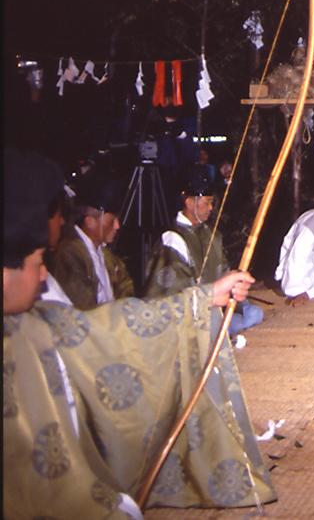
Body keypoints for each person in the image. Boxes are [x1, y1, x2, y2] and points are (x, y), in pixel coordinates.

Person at [3, 149, 276, 518]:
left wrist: (207, 297)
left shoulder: (31, 318)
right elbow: (99, 329)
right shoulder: (163, 240)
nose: (41, 275)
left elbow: (100, 323)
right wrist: (199, 300)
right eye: (36, 261)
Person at [144, 170, 264, 335]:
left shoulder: (209, 233)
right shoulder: (172, 239)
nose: (211, 208)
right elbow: (170, 295)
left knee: (254, 314)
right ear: (189, 202)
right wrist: (208, 298)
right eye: (207, 202)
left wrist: (236, 287)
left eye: (212, 203)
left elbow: (223, 271)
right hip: (189, 319)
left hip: (215, 310)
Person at [50, 174, 135, 309]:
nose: (117, 226)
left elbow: (126, 287)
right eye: (111, 220)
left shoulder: (105, 253)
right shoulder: (69, 254)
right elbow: (83, 309)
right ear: (90, 221)